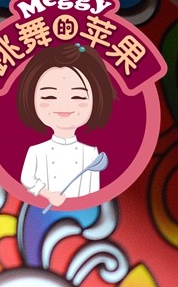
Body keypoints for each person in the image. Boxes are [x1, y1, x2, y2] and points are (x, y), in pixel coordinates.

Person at [15, 43, 113, 207]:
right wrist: (48, 194)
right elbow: (28, 179)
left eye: (78, 97)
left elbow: (93, 191)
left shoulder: (91, 154)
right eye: (49, 96)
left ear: (97, 99)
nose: (64, 105)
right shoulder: (37, 151)